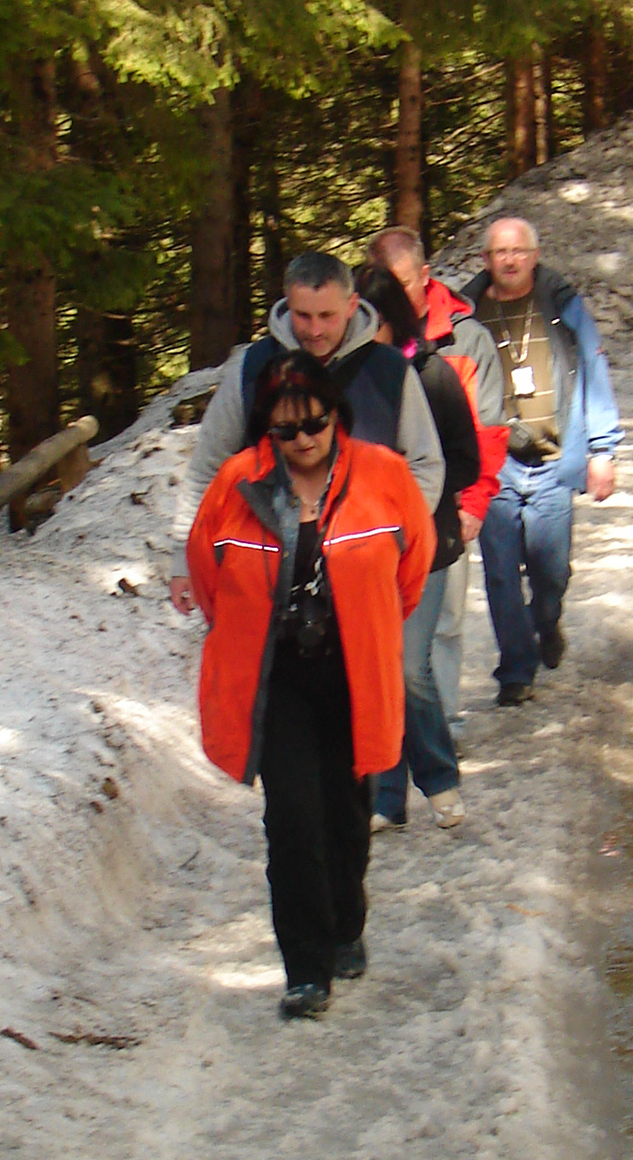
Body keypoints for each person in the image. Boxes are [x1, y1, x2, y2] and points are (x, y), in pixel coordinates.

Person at [186, 351, 435, 1019]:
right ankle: (306, 968)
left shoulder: (383, 475)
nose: (302, 439)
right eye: (286, 428)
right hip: (277, 681)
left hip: (353, 672)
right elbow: (208, 577)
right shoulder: (238, 485)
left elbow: (412, 568)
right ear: (267, 427)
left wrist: (372, 623)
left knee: (346, 814)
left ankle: (346, 925)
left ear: (335, 415)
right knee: (292, 820)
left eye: (315, 423)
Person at [170, 250, 444, 613]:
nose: (315, 330)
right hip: (263, 573)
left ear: (352, 305)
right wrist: (183, 557)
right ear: (287, 304)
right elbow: (208, 465)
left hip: (365, 569)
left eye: (327, 316)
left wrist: (392, 540)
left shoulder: (390, 372)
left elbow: (425, 464)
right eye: (304, 315)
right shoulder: (252, 368)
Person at [464, 216, 623, 706]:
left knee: (551, 572)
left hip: (554, 459)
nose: (510, 260)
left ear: (534, 256)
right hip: (496, 464)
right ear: (486, 259)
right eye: (500, 252)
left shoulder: (562, 304)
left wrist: (602, 449)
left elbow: (593, 367)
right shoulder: (467, 314)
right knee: (500, 573)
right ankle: (516, 671)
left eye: (519, 251)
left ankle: (546, 621)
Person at [367, 227, 509, 731]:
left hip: (446, 506)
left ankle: (443, 726)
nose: (394, 294)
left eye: (403, 282)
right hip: (376, 514)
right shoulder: (358, 342)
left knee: (445, 622)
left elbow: (488, 429)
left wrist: (475, 502)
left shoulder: (464, 338)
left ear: (425, 276)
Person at [354, 266, 479, 830]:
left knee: (407, 666)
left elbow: (465, 461)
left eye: (371, 321)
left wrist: (407, 489)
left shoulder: (431, 375)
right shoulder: (346, 379)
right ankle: (385, 796)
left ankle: (440, 780)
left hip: (426, 545)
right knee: (375, 670)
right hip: (361, 549)